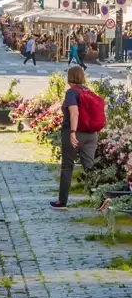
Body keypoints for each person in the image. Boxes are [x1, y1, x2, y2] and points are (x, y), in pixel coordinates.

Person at [50, 66, 102, 210]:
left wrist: (72, 132)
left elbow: (74, 113)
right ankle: (100, 198)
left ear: (70, 77)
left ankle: (62, 202)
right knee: (90, 167)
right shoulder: (88, 91)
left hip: (75, 133)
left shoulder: (72, 93)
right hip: (92, 134)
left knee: (67, 167)